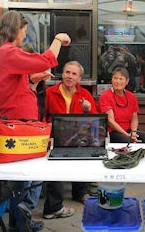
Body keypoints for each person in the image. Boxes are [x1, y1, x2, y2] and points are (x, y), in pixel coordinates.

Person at [0, 10, 72, 231]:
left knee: (22, 179)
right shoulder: (8, 52)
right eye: (24, 31)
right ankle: (20, 225)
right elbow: (47, 59)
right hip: (21, 122)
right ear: (15, 29)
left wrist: (33, 78)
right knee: (24, 180)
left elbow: (12, 86)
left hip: (16, 119)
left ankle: (21, 221)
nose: (25, 35)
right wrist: (57, 39)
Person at [43, 61, 96, 213]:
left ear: (79, 78)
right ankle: (54, 204)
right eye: (67, 72)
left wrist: (88, 110)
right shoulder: (50, 92)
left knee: (84, 150)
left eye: (74, 74)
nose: (70, 76)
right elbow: (43, 116)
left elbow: (94, 121)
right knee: (55, 161)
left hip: (77, 137)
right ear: (62, 74)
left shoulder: (85, 94)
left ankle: (80, 192)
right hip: (54, 137)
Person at [99, 67, 145, 143]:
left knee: (144, 139)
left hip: (129, 129)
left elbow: (134, 118)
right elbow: (111, 121)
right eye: (115, 78)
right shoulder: (105, 96)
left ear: (127, 81)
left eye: (121, 79)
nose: (117, 81)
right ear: (111, 80)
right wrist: (127, 135)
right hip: (113, 131)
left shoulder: (132, 96)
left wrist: (134, 133)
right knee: (126, 141)